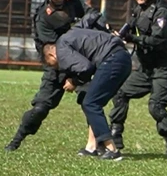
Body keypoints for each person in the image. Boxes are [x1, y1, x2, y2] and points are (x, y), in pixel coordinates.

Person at [5, 0, 91, 152]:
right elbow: (53, 53)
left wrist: (91, 21)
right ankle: (16, 140)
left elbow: (91, 14)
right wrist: (72, 77)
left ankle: (100, 145)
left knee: (91, 102)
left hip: (81, 63)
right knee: (40, 109)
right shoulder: (44, 16)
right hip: (58, 66)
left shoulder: (74, 3)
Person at [108, 0, 167, 155]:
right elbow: (129, 26)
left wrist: (131, 38)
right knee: (120, 92)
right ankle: (115, 135)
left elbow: (157, 39)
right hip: (145, 68)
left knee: (155, 105)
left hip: (164, 67)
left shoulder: (162, 11)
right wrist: (118, 36)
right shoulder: (139, 10)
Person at [41, 25, 133, 161]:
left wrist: (74, 81)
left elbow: (85, 68)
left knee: (90, 103)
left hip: (112, 59)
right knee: (94, 103)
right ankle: (92, 147)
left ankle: (111, 149)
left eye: (51, 64)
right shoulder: (71, 36)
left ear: (51, 54)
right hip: (123, 59)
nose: (56, 67)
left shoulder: (61, 48)